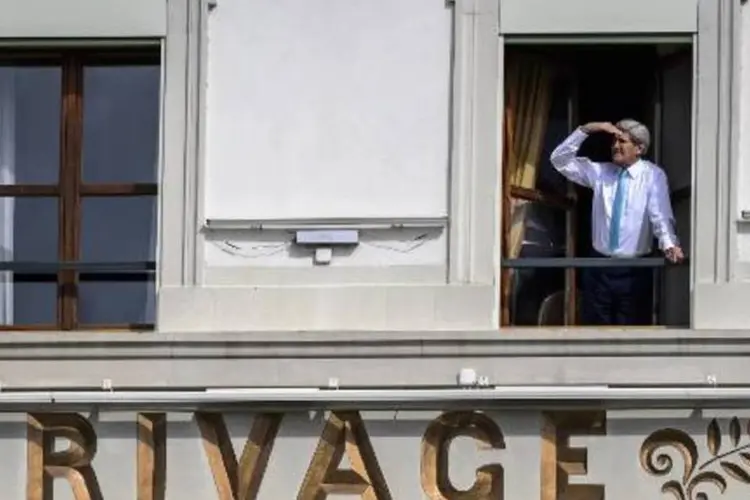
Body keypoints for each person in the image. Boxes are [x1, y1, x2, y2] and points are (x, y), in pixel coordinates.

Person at [550, 119, 685, 326]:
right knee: (594, 332)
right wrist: (588, 129)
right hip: (599, 268)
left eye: (622, 141)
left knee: (631, 333)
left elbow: (660, 213)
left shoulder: (652, 175)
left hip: (633, 270)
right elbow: (559, 160)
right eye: (613, 141)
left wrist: (669, 244)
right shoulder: (601, 172)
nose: (615, 146)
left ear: (639, 148)